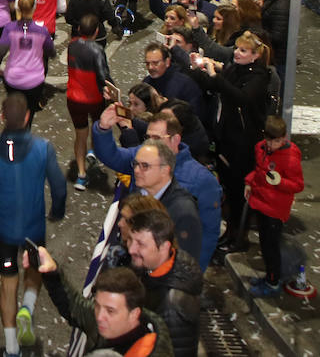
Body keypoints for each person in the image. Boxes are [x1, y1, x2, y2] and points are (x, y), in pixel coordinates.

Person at [0, 93, 67, 357]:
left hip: (3, 228)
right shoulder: (43, 147)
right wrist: (56, 211)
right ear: (27, 117)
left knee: (7, 283)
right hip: (33, 227)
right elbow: (59, 187)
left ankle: (12, 348)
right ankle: (28, 305)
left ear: (2, 116)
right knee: (34, 269)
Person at [93, 107, 221, 270]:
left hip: (167, 265)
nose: (150, 143)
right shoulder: (141, 155)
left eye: (156, 138)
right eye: (147, 137)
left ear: (175, 140)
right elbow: (112, 156)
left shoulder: (202, 181)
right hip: (133, 255)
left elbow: (207, 235)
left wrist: (191, 276)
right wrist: (103, 128)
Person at [189, 31, 271, 251]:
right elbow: (216, 85)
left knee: (238, 192)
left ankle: (239, 236)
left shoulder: (259, 76)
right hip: (226, 136)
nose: (236, 53)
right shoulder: (235, 68)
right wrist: (197, 70)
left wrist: (216, 77)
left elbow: (242, 98)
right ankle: (231, 232)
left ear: (254, 56)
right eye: (236, 48)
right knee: (229, 188)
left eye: (243, 50)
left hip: (243, 142)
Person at [30, 251, 174, 357]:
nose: (99, 316)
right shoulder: (116, 322)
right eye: (98, 305)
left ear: (134, 314)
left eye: (110, 311)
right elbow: (76, 308)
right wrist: (52, 273)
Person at [124, 208, 202, 357]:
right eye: (131, 240)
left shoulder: (172, 308)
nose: (131, 249)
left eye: (140, 244)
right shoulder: (153, 267)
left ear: (164, 247)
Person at [244, 115, 304, 297]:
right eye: (270, 141)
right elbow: (258, 170)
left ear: (284, 138)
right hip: (261, 202)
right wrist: (249, 182)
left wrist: (280, 182)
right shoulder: (260, 148)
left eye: (277, 141)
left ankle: (273, 281)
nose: (273, 146)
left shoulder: (290, 158)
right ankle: (269, 276)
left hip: (275, 209)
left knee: (271, 247)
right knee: (264, 244)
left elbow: (298, 185)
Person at [65, 13, 112, 190]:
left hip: (74, 99)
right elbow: (103, 75)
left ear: (79, 29)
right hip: (94, 98)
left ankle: (81, 175)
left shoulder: (72, 46)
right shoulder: (97, 50)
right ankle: (93, 152)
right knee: (96, 126)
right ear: (97, 31)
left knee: (80, 134)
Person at [0, 0, 53, 120]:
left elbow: (0, 53)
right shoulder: (42, 30)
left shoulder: (9, 28)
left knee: (13, 113)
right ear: (34, 8)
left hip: (12, 78)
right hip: (34, 80)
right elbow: (51, 52)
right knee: (29, 114)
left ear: (19, 9)